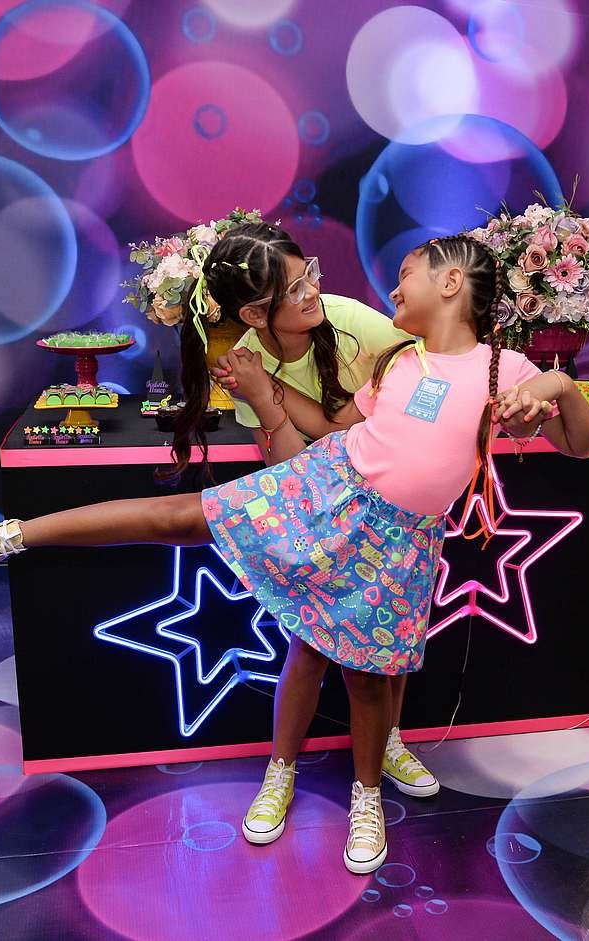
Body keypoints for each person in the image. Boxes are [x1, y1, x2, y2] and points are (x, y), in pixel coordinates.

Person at [0, 233, 589, 874]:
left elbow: (582, 445)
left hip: (400, 541)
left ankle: (366, 798)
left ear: (451, 283)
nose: (393, 289)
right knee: (179, 518)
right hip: (328, 487)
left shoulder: (504, 370)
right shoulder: (399, 361)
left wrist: (559, 386)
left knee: (367, 676)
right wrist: (265, 390)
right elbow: (334, 424)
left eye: (406, 276)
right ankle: (7, 536)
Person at [201, 224, 446, 823]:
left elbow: (423, 385)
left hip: (393, 506)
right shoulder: (246, 362)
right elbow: (287, 474)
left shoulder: (352, 321)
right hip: (318, 507)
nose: (312, 290)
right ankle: (280, 768)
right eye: (293, 288)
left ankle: (387, 743)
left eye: (308, 273)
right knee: (309, 646)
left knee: (389, 644)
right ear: (253, 314)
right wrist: (265, 399)